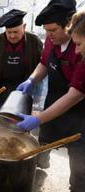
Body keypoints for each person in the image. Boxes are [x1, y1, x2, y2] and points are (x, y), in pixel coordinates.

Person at [16, 1, 85, 191]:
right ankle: (40, 165)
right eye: (46, 30)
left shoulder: (81, 47)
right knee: (44, 139)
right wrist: (31, 80)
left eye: (52, 29)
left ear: (68, 25)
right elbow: (44, 63)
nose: (48, 35)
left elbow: (75, 95)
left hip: (80, 113)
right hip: (54, 99)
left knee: (80, 165)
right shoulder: (51, 39)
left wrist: (37, 119)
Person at [0, 9, 43, 109]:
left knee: (17, 122)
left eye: (16, 32)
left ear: (24, 27)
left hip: (23, 91)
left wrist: (38, 91)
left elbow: (42, 65)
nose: (12, 36)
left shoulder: (34, 42)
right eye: (9, 32)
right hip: (0, 90)